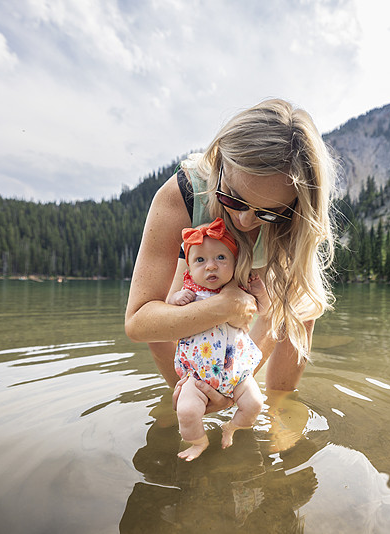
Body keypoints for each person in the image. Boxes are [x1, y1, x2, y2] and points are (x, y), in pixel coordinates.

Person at [124, 98, 337, 420]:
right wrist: (221, 308)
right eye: (233, 199)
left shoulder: (295, 217)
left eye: (267, 212)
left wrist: (233, 381)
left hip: (265, 279)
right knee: (172, 313)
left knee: (300, 312)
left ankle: (280, 412)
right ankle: (189, 402)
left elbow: (271, 316)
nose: (245, 221)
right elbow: (141, 322)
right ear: (220, 161)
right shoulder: (182, 192)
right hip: (204, 251)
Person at [169, 218, 267, 460]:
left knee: (255, 404)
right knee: (187, 409)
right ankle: (198, 442)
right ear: (189, 269)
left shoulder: (241, 290)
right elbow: (170, 316)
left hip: (237, 374)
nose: (210, 266)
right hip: (198, 375)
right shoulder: (189, 294)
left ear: (235, 262)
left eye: (220, 258)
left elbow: (264, 310)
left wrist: (260, 292)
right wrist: (175, 299)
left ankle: (231, 427)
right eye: (200, 260)